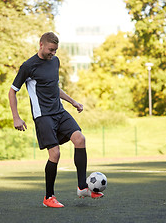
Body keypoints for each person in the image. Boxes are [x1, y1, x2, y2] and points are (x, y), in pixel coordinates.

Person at [8, 32, 103, 208]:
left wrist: (73, 102)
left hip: (59, 112)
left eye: (56, 50)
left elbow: (54, 88)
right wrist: (16, 117)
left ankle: (82, 187)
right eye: (51, 50)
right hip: (43, 116)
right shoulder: (28, 66)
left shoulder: (55, 61)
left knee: (80, 139)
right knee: (55, 154)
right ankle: (48, 197)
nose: (53, 53)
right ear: (41, 45)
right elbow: (12, 91)